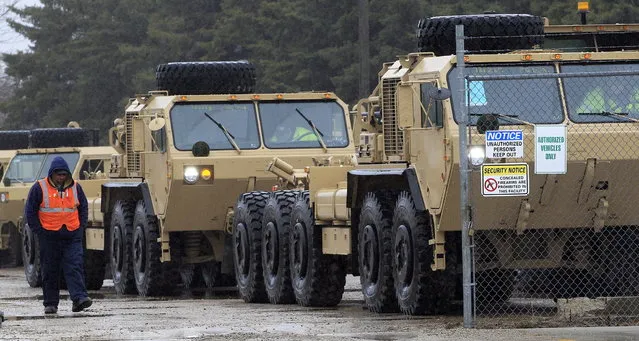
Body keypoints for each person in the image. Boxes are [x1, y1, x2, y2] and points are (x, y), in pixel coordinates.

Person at [25, 156, 92, 314]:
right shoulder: (39, 187)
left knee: (74, 265)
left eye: (64, 174)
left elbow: (83, 208)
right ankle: (50, 303)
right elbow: (30, 211)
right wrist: (39, 231)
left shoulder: (76, 187)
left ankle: (79, 299)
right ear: (52, 174)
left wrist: (80, 227)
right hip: (49, 236)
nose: (61, 177)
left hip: (72, 234)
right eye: (58, 174)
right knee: (50, 270)